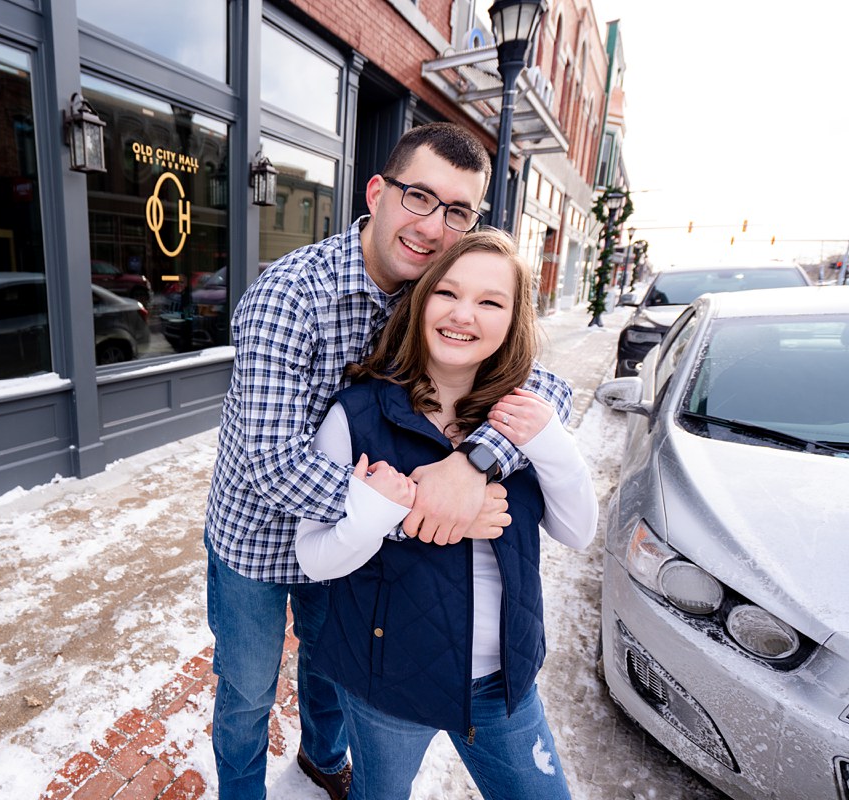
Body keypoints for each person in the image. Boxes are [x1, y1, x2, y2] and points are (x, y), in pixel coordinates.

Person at [204, 122, 573, 799]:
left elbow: (544, 385)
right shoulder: (292, 294)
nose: (434, 227)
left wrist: (472, 466)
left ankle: (324, 762)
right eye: (419, 197)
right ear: (377, 192)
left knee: (330, 669)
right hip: (256, 538)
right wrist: (412, 510)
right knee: (250, 692)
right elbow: (266, 462)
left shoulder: (438, 294)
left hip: (351, 537)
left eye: (457, 210)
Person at [294, 230, 598, 799]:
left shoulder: (524, 418)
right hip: (387, 680)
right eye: (447, 294)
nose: (463, 314)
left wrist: (551, 442)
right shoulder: (358, 415)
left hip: (502, 683)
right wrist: (386, 509)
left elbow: (578, 531)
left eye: (490, 301)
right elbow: (312, 560)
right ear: (422, 299)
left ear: (514, 318)